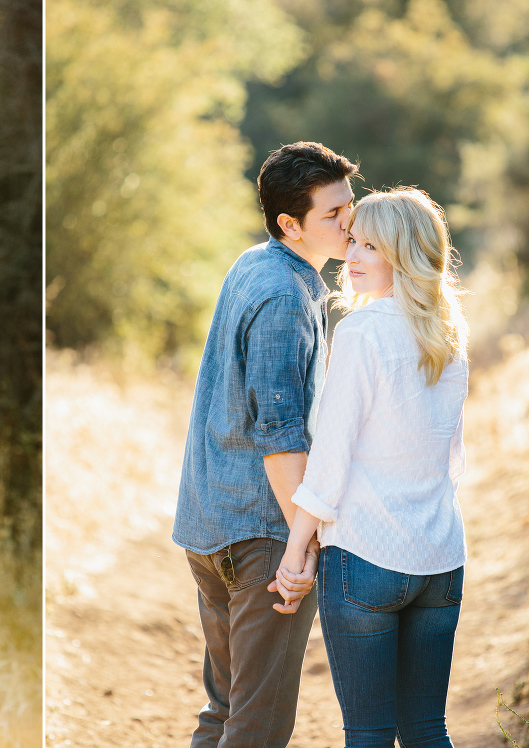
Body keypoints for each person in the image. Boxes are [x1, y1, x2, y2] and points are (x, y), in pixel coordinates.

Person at [173, 141, 359, 747]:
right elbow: (277, 434)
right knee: (257, 727)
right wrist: (298, 544)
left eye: (348, 207)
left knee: (226, 712)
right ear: (290, 224)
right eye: (332, 215)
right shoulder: (285, 296)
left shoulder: (256, 264)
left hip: (210, 522)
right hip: (260, 536)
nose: (348, 222)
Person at [274, 188, 468, 748]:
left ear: (403, 255)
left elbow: (331, 455)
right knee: (428, 729)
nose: (352, 256)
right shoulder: (451, 334)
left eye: (371, 246)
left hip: (366, 556)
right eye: (353, 240)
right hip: (441, 557)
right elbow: (453, 456)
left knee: (369, 733)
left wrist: (296, 552)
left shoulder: (361, 331)